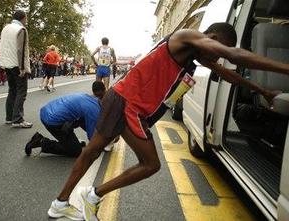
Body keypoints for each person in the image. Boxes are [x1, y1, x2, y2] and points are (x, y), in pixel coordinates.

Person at [47, 22, 289, 220]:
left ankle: (62, 202)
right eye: (217, 49)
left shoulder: (195, 53)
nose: (217, 56)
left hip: (124, 101)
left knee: (93, 152)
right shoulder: (187, 36)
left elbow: (227, 74)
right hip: (126, 103)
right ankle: (91, 195)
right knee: (148, 163)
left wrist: (262, 90)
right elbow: (234, 55)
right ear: (211, 37)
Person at [25, 81, 106, 157]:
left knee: (81, 119)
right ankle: (41, 141)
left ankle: (71, 142)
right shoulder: (94, 110)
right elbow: (92, 137)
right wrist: (100, 145)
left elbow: (83, 122)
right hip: (52, 121)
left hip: (46, 111)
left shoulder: (87, 97)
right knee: (76, 151)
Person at [0, 10, 32, 128]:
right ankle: (17, 119)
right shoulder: (21, 29)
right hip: (17, 64)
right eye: (26, 18)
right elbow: (20, 50)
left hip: (6, 63)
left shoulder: (5, 28)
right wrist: (22, 68)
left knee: (12, 90)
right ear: (23, 18)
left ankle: (9, 117)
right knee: (21, 92)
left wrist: (1, 63)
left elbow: (2, 46)